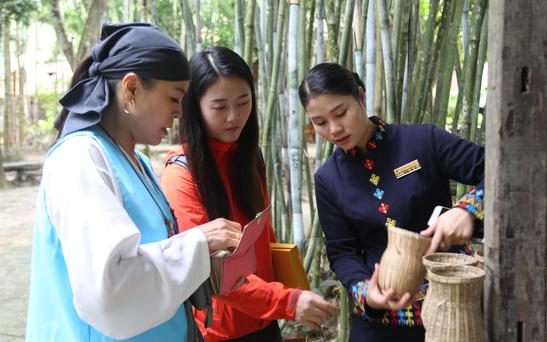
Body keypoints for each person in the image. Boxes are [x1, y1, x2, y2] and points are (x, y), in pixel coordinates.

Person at [26, 23, 243, 342]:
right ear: (131, 89)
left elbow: (152, 253)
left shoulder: (136, 161)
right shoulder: (79, 160)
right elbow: (112, 288)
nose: (179, 113)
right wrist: (197, 242)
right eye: (173, 98)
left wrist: (206, 266)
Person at [160, 47, 339, 342]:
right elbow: (208, 271)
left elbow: (262, 237)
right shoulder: (181, 175)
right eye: (219, 107)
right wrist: (287, 302)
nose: (235, 117)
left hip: (264, 320)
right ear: (194, 107)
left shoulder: (248, 157)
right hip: (218, 333)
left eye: (243, 103)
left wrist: (285, 295)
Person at [298, 63, 484, 341]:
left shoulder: (422, 140)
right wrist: (366, 293)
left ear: (360, 97)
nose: (334, 129)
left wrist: (467, 210)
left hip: (452, 308)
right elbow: (342, 252)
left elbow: (500, 168)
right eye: (320, 122)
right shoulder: (327, 178)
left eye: (341, 113)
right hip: (380, 316)